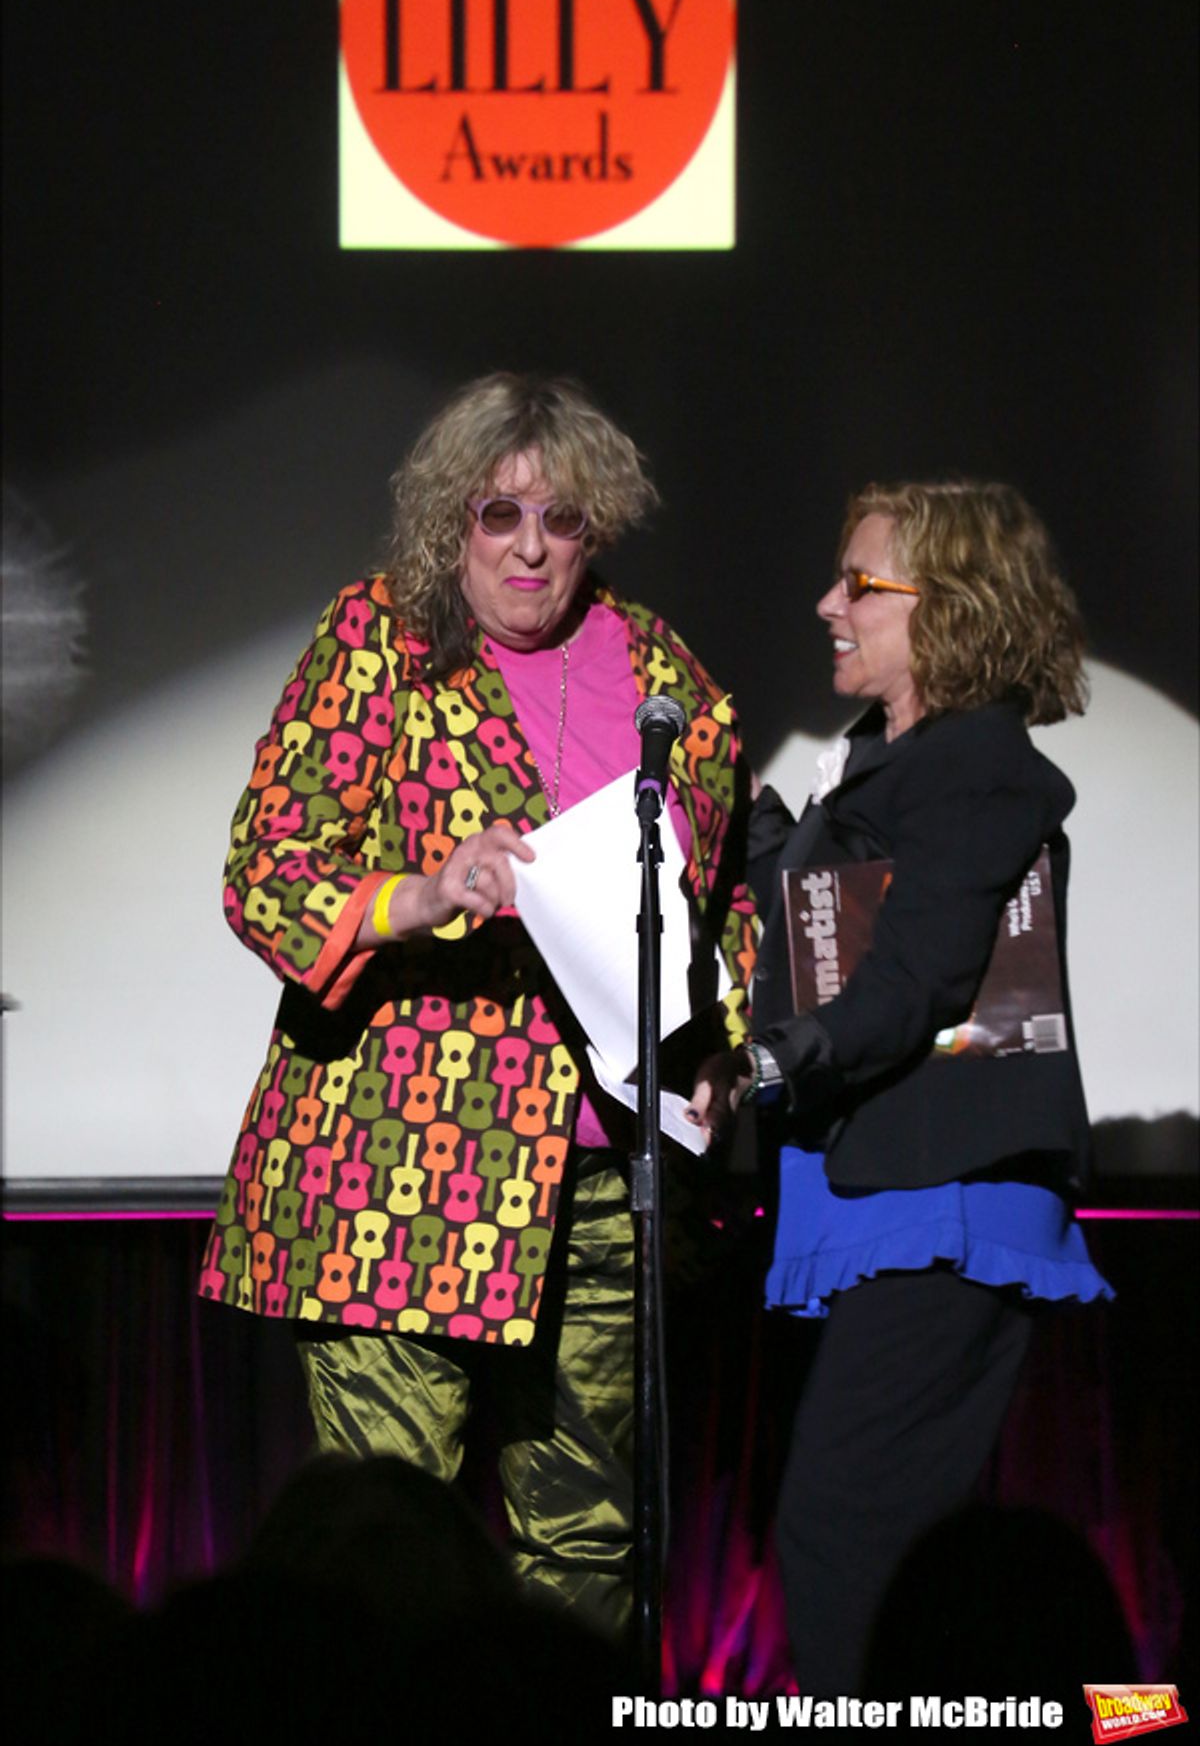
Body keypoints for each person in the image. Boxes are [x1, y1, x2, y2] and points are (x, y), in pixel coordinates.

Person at [200, 372, 756, 1641]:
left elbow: (715, 905)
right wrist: (422, 891)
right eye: (498, 515)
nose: (528, 547)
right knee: (381, 1542)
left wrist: (717, 1043)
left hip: (608, 1176)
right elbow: (268, 872)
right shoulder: (378, 645)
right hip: (399, 1170)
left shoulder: (664, 670)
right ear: (452, 521)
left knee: (589, 1535)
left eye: (559, 521)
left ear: (594, 529)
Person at [689, 479, 1112, 1695]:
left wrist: (765, 1065)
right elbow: (824, 911)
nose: (829, 602)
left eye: (861, 585)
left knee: (840, 1532)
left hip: (954, 1197)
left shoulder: (979, 766)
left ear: (955, 607)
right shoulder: (884, 761)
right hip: (895, 1189)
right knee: (882, 1538)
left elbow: (918, 975)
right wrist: (729, 807)